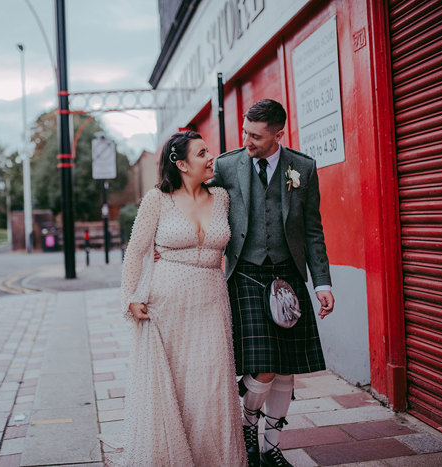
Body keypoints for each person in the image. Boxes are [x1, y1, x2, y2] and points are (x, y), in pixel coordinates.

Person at [210, 99, 335, 467]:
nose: (247, 141)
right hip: (246, 275)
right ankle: (248, 424)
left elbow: (313, 231)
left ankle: (271, 447)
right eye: (245, 132)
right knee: (263, 364)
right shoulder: (227, 165)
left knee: (286, 367)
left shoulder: (303, 168)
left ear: (278, 134)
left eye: (256, 136)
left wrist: (322, 283)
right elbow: (198, 204)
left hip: (289, 276)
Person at [118, 131, 247, 466]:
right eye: (202, 153)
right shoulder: (156, 200)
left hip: (211, 299)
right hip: (167, 305)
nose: (211, 158)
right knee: (173, 387)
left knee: (211, 386)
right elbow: (136, 252)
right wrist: (131, 297)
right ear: (180, 163)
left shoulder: (221, 197)